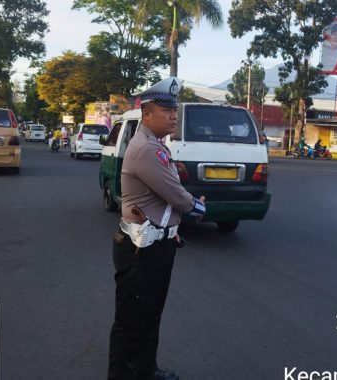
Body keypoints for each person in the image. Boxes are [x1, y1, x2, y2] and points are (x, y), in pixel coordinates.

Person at [108, 77, 206, 380]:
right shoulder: (147, 149)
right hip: (141, 250)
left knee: (149, 316)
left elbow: (169, 190)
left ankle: (145, 371)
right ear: (146, 113)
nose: (173, 115)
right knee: (131, 319)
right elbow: (176, 194)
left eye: (174, 110)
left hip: (154, 247)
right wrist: (200, 207)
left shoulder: (155, 145)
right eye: (166, 110)